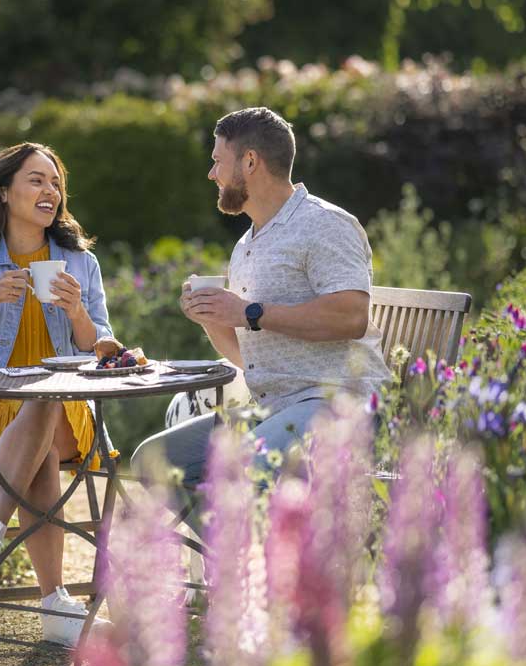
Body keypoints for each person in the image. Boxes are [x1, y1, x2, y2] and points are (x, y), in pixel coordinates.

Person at [132, 106, 389, 508]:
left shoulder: (324, 224)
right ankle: (230, 563)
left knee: (239, 469)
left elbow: (352, 317)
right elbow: (251, 357)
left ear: (249, 161)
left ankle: (251, 566)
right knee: (152, 461)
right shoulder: (247, 244)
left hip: (338, 402)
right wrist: (213, 318)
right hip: (274, 409)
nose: (211, 174)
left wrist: (248, 312)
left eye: (218, 161)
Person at [0, 142, 113, 646]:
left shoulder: (79, 262)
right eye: (36, 180)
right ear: (4, 192)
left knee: (46, 399)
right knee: (42, 429)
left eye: (55, 182)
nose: (49, 190)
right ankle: (55, 604)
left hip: (66, 411)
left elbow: (101, 350)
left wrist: (78, 314)